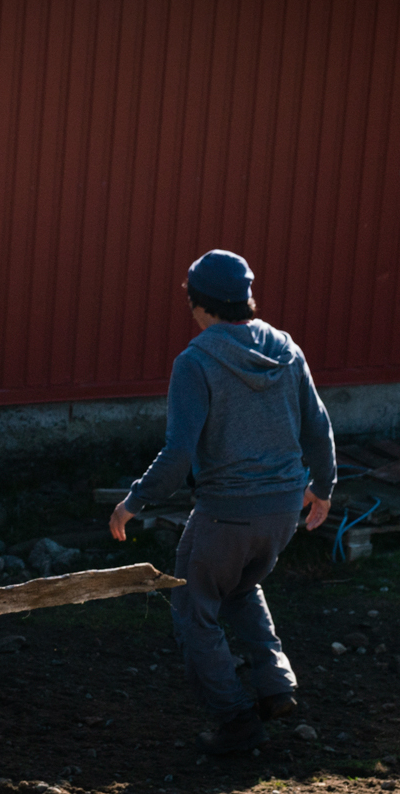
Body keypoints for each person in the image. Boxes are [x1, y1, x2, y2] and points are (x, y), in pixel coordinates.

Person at [107, 248, 334, 758]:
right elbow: (318, 426)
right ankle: (276, 686)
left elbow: (180, 451)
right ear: (247, 298)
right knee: (241, 584)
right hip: (281, 512)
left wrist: (133, 501)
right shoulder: (285, 347)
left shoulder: (196, 361)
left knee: (193, 608)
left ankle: (236, 721)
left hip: (226, 512)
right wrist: (323, 487)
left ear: (195, 302)